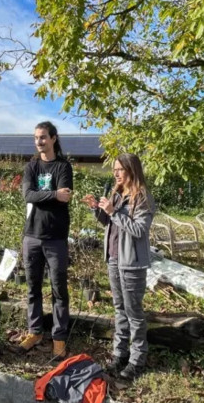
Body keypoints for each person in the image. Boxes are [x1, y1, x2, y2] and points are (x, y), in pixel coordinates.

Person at [82, 153, 156, 381]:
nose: (115, 173)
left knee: (134, 312)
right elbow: (108, 223)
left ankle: (137, 359)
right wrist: (99, 209)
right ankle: (119, 354)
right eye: (114, 169)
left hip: (132, 262)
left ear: (132, 171)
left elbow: (138, 230)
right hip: (113, 259)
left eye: (120, 170)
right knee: (119, 309)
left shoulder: (142, 197)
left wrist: (113, 212)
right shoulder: (117, 193)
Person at [18, 121, 73, 360]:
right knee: (33, 288)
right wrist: (52, 194)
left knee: (59, 289)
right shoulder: (31, 166)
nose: (39, 141)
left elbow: (65, 197)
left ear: (53, 138)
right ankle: (35, 332)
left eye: (43, 137)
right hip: (32, 237)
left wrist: (46, 197)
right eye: (36, 138)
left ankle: (59, 337)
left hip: (56, 238)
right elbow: (27, 195)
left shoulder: (63, 167)